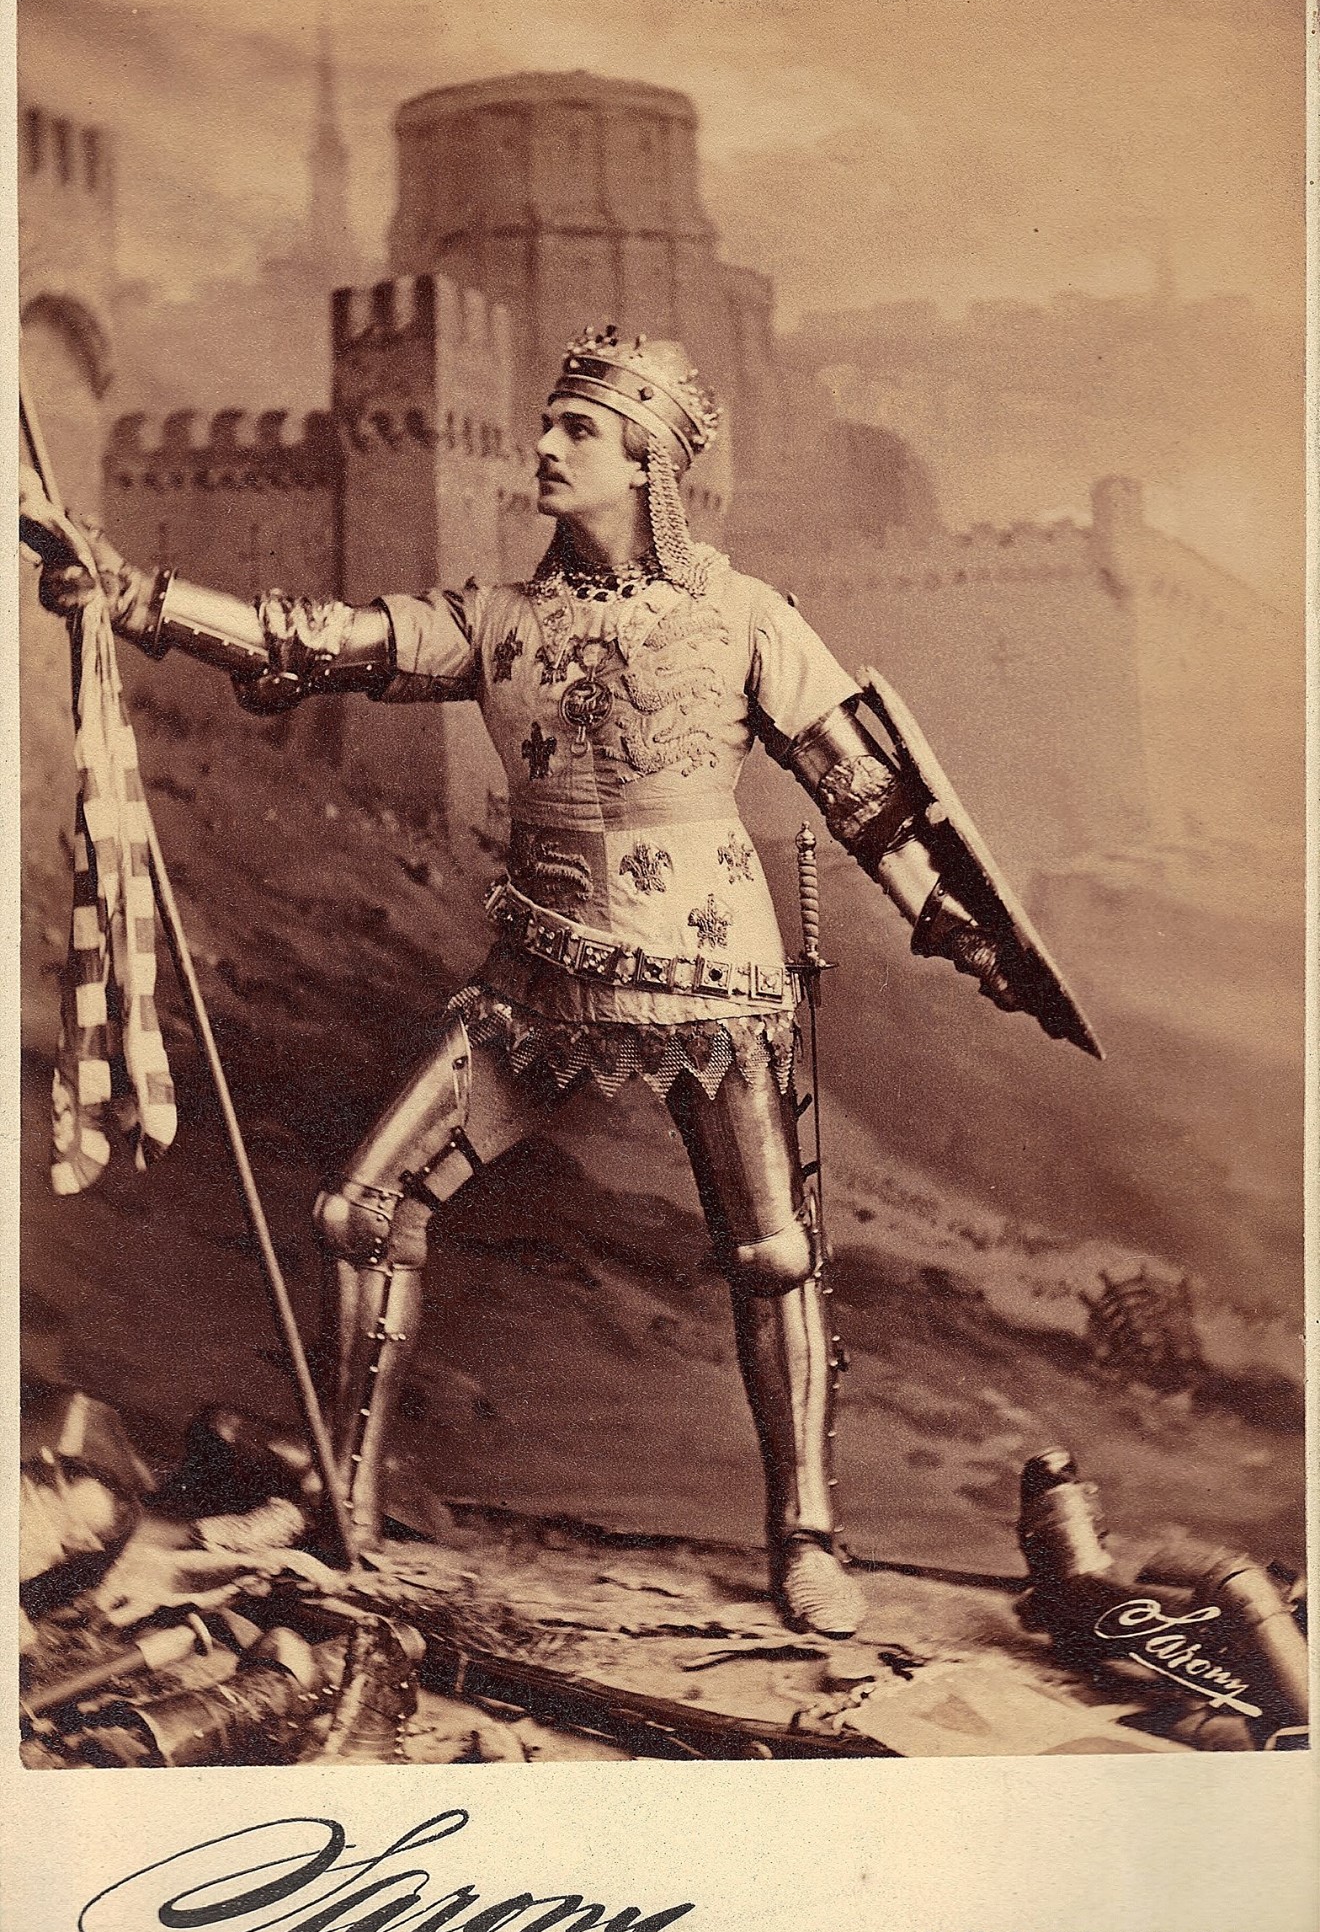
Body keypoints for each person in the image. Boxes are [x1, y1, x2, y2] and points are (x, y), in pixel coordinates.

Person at [30, 326, 1033, 1639]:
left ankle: (805, 1535)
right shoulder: (499, 622)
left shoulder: (747, 619)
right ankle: (346, 1510)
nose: (543, 445)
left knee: (774, 1252)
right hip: (540, 977)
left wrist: (955, 927)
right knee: (362, 1208)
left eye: (577, 429)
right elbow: (315, 638)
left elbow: (870, 795)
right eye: (548, 422)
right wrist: (131, 594)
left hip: (711, 979)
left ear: (650, 462)